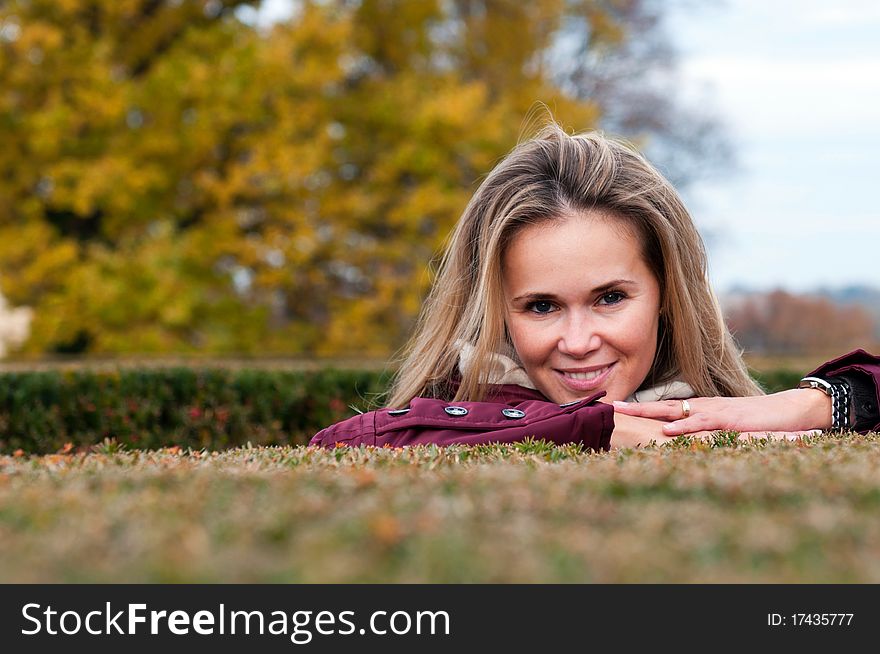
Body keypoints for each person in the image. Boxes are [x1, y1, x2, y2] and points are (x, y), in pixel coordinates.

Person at [310, 123, 880, 450]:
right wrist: (597, 427)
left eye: (610, 298)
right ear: (496, 312)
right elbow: (337, 445)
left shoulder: (706, 411)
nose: (578, 341)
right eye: (541, 306)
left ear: (666, 298)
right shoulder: (444, 424)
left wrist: (819, 402)